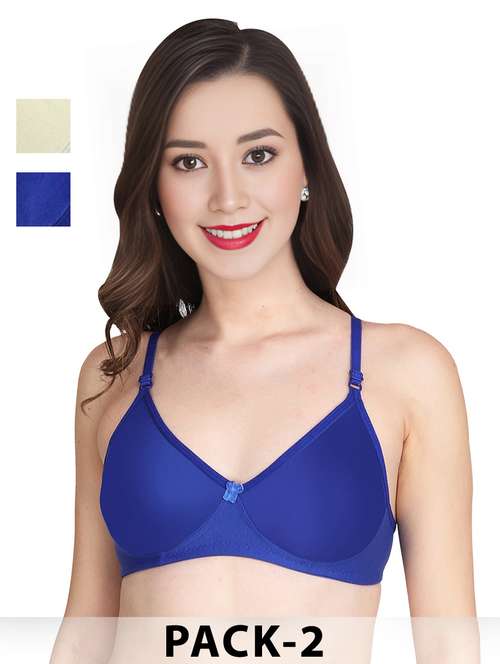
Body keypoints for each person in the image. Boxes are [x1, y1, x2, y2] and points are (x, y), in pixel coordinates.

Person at [50, 18, 478, 663]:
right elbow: (85, 629)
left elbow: (449, 645)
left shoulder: (406, 372)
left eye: (258, 155)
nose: (228, 198)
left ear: (307, 166)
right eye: (189, 162)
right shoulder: (115, 371)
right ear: (154, 187)